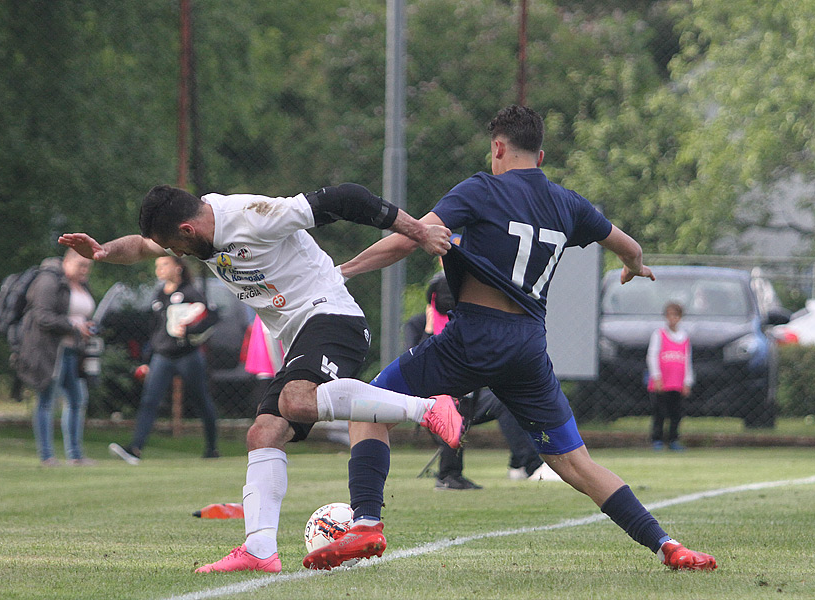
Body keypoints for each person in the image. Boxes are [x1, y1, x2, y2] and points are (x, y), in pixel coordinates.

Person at [305, 105, 716, 571]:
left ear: (498, 147)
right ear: (539, 155)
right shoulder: (568, 203)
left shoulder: (481, 189)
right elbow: (629, 246)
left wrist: (341, 273)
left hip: (473, 337)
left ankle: (366, 524)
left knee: (369, 405)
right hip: (527, 347)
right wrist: (634, 266)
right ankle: (667, 546)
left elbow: (409, 237)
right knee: (576, 463)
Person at [58, 182, 462, 573]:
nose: (175, 254)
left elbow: (348, 197)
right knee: (264, 433)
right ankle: (259, 550)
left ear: (187, 230)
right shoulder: (196, 229)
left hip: (333, 318)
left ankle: (428, 408)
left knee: (295, 400)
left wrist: (418, 232)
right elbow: (141, 246)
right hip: (303, 332)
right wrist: (101, 251)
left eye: (176, 246)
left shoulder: (253, 217)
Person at [407, 265, 561, 490]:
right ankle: (448, 474)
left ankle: (524, 464)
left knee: (504, 401)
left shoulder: (464, 319)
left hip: (468, 393)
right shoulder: (417, 323)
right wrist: (430, 329)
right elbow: (415, 363)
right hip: (431, 400)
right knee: (454, 404)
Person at [108, 255, 220, 464]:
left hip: (188, 356)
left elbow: (211, 317)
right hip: (162, 356)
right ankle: (135, 449)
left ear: (178, 267)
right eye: (157, 265)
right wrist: (146, 358)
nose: (159, 269)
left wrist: (189, 331)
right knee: (149, 400)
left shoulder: (191, 292)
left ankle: (212, 448)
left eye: (165, 264)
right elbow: (154, 330)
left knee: (200, 400)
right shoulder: (159, 294)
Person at [15, 249, 96, 466]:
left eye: (88, 267)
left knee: (77, 400)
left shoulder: (81, 284)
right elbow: (42, 317)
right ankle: (47, 455)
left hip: (73, 351)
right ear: (67, 262)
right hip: (49, 351)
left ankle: (75, 455)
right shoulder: (49, 280)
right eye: (81, 266)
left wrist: (85, 327)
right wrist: (73, 325)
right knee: (46, 401)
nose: (85, 271)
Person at [646, 301, 693, 452]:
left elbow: (687, 360)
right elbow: (652, 356)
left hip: (677, 383)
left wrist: (687, 382)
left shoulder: (684, 337)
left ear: (680, 317)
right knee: (660, 412)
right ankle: (657, 439)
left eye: (676, 315)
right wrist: (657, 377)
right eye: (669, 315)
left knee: (676, 413)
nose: (672, 318)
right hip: (662, 382)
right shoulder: (659, 334)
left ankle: (673, 440)